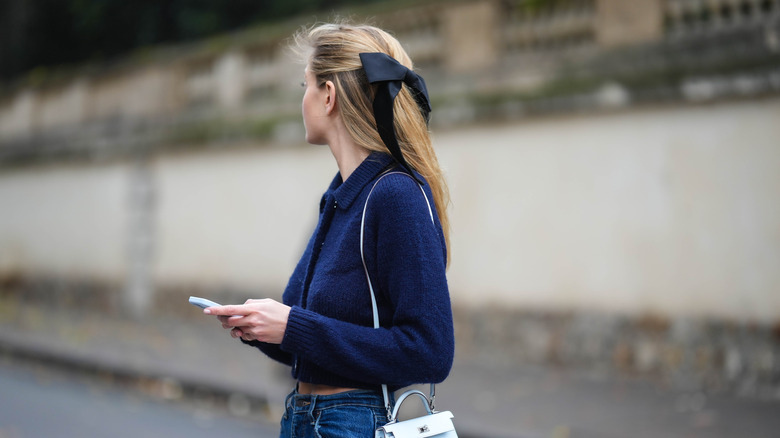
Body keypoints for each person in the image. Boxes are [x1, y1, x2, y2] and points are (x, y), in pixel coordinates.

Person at [204, 22, 454, 438]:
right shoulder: (340, 193)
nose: (302, 99)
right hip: (306, 418)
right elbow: (310, 340)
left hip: (357, 424)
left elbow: (430, 350)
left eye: (305, 85)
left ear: (329, 95)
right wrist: (259, 326)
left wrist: (292, 326)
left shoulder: (395, 194)